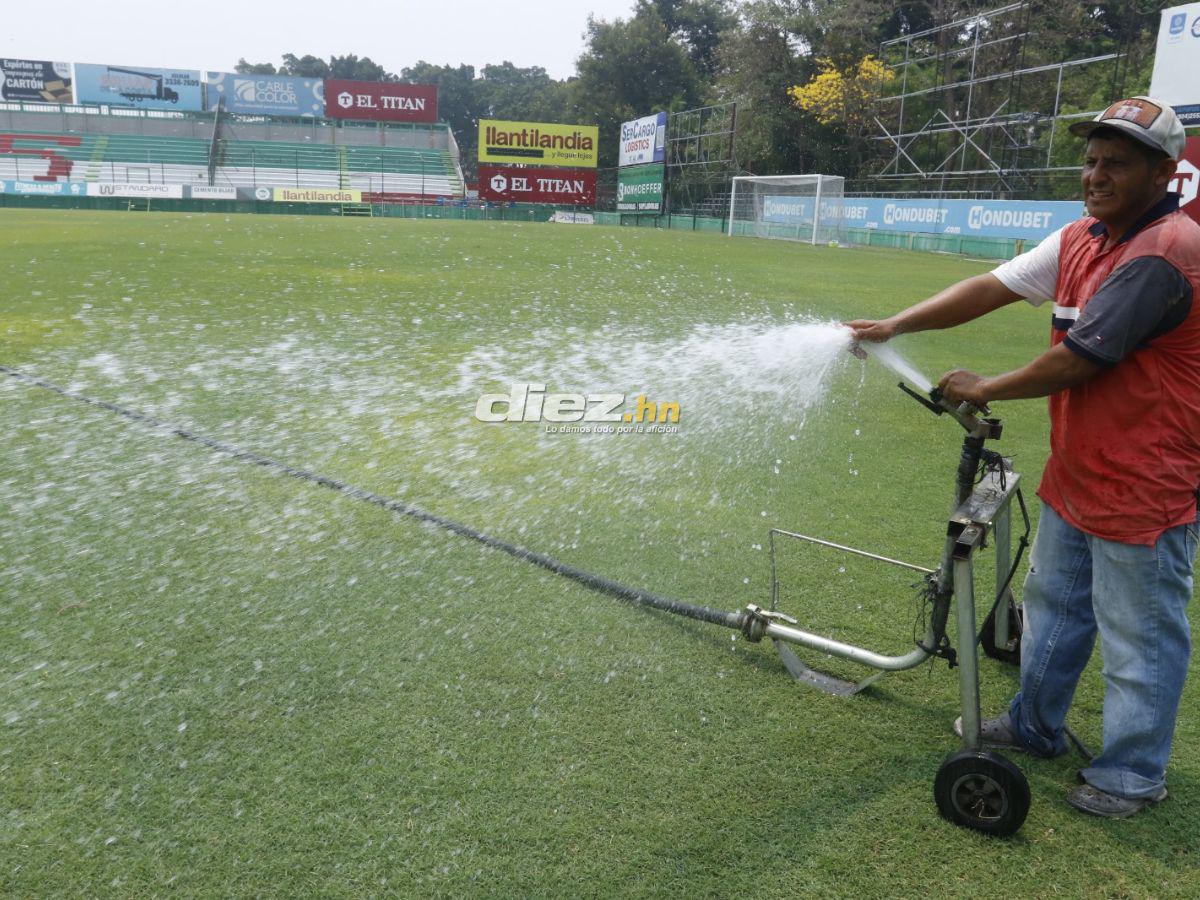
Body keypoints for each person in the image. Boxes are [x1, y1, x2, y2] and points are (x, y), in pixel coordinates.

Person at [847, 96, 1200, 819]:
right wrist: (897, 323)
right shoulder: (1082, 237)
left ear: (1165, 172)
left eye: (1117, 162)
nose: (1097, 174)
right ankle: (1034, 724)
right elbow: (994, 287)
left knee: (1140, 637)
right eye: (1092, 159)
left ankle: (1132, 775)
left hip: (1147, 482)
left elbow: (1081, 360)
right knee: (1055, 610)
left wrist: (987, 385)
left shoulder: (1165, 252)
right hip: (1080, 470)